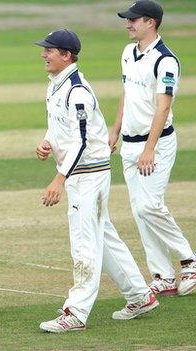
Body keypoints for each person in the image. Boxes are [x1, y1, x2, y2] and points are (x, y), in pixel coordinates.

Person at [34, 29, 157, 333]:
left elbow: (82, 140)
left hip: (87, 175)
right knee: (103, 236)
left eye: (50, 50)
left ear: (67, 55)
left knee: (84, 242)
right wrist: (48, 142)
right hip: (82, 173)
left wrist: (59, 179)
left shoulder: (77, 91)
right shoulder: (56, 86)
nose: (43, 54)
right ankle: (140, 295)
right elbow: (60, 126)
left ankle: (76, 313)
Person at [110, 0, 196, 296]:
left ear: (151, 22)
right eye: (128, 19)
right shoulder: (127, 53)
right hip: (130, 144)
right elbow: (127, 92)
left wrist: (150, 148)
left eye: (133, 20)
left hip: (156, 145)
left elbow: (163, 108)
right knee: (140, 211)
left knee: (150, 206)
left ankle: (189, 260)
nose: (128, 24)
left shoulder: (165, 60)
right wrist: (115, 129)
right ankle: (162, 274)